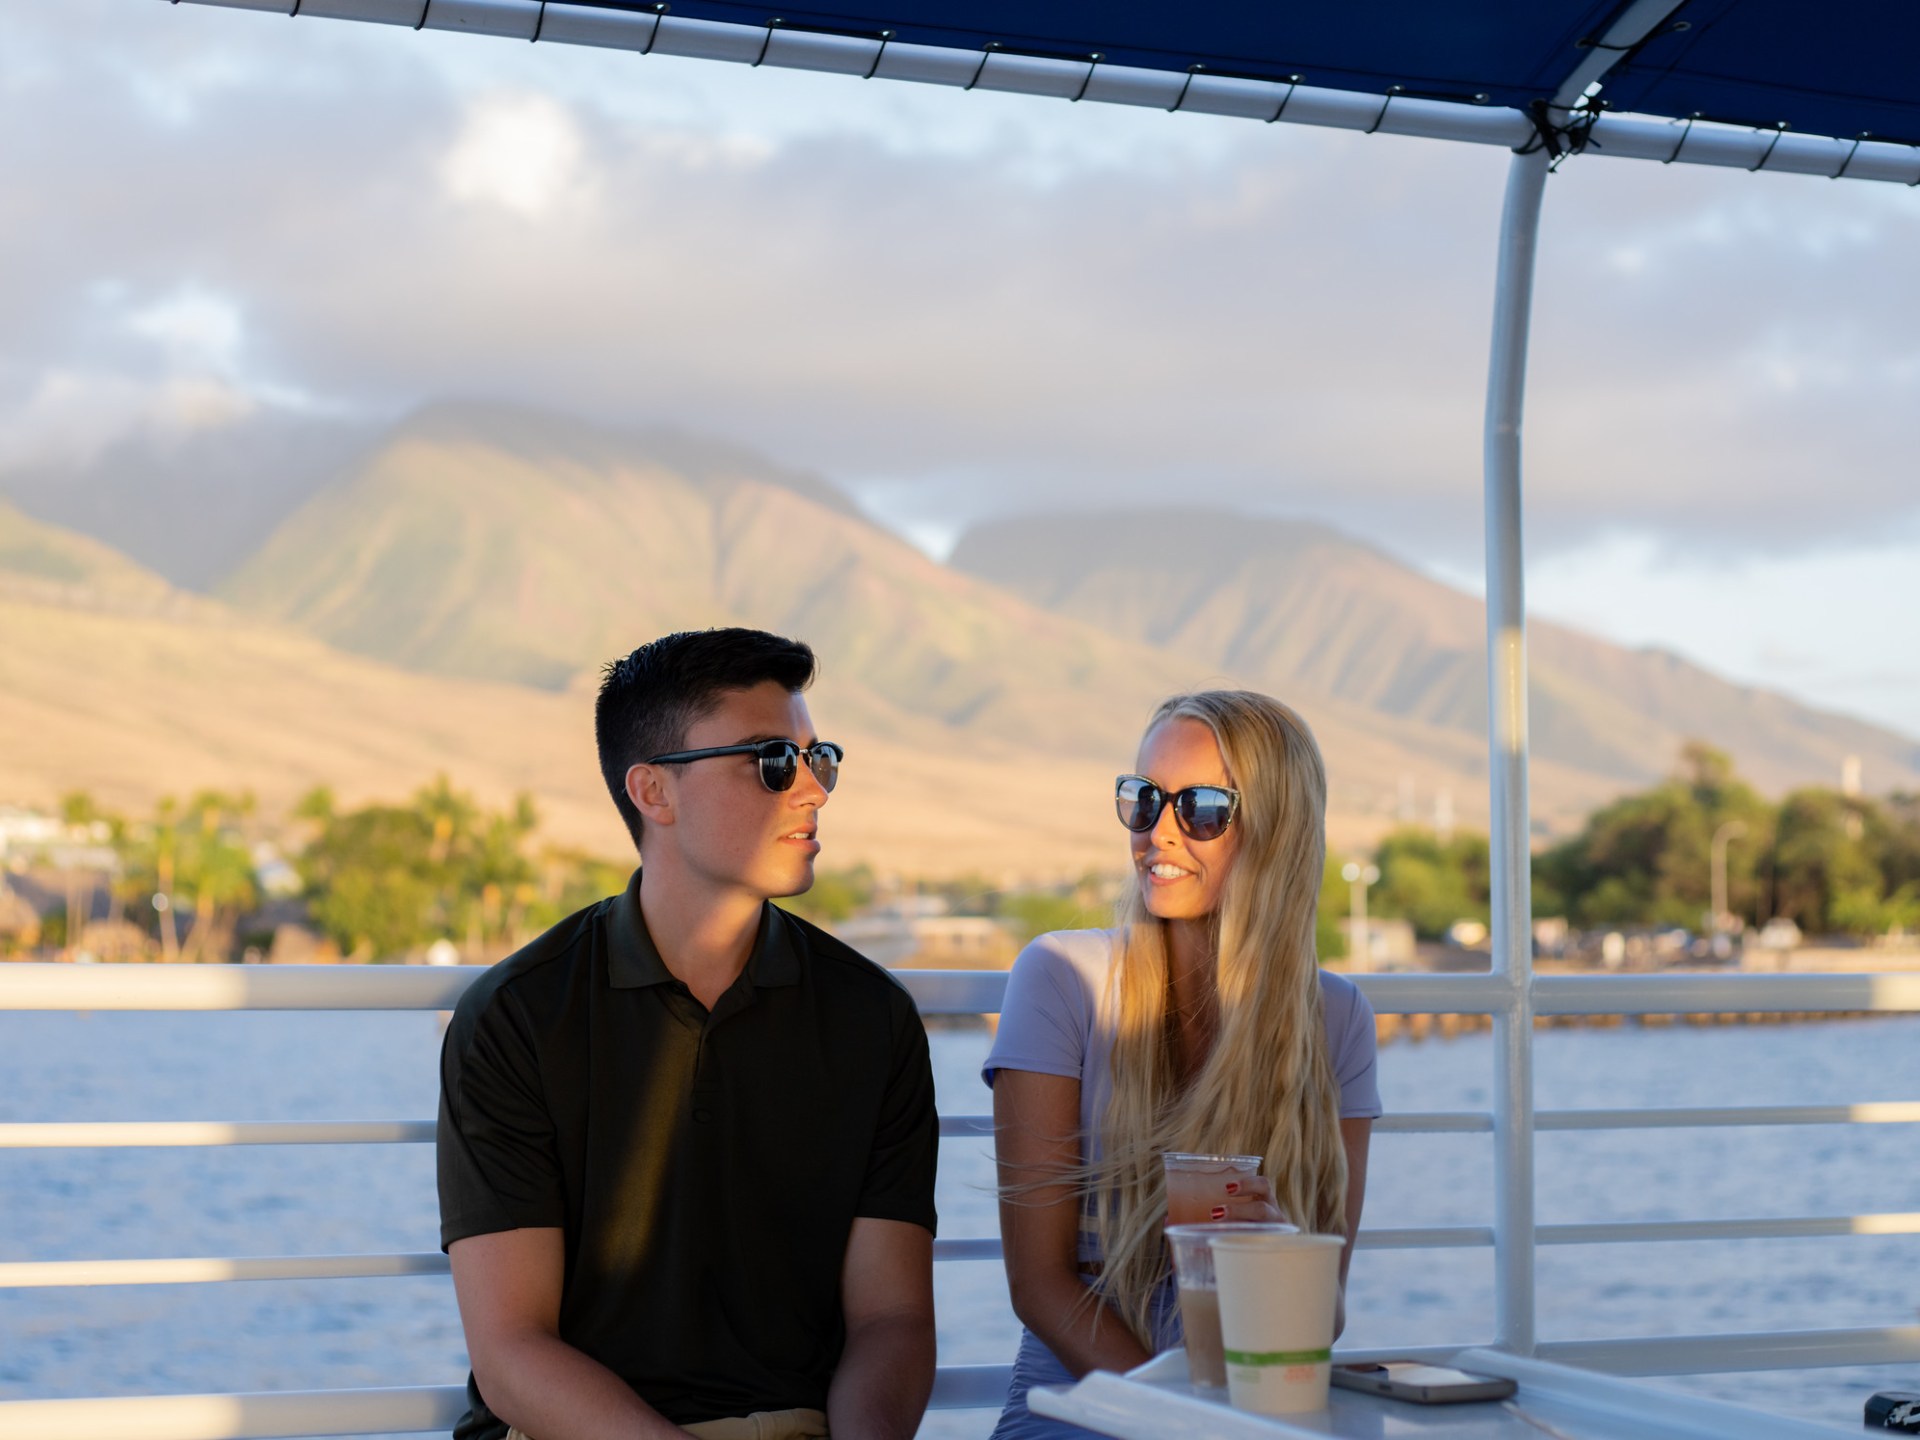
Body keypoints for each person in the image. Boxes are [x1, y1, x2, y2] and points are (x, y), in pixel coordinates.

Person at [437, 627, 939, 1440]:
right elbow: (512, 1352)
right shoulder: (518, 1016)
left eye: (822, 759)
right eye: (775, 760)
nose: (812, 790)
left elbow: (892, 1320)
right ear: (653, 793)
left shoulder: (870, 1017)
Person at [983, 690, 1380, 1438]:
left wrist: (1270, 1254)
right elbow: (1039, 1286)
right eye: (1142, 800)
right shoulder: (1062, 977)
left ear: (1277, 828)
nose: (1157, 833)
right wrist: (1183, 1422)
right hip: (1083, 1398)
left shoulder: (1337, 1018)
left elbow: (1321, 1309)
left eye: (1199, 808)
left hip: (1249, 1409)